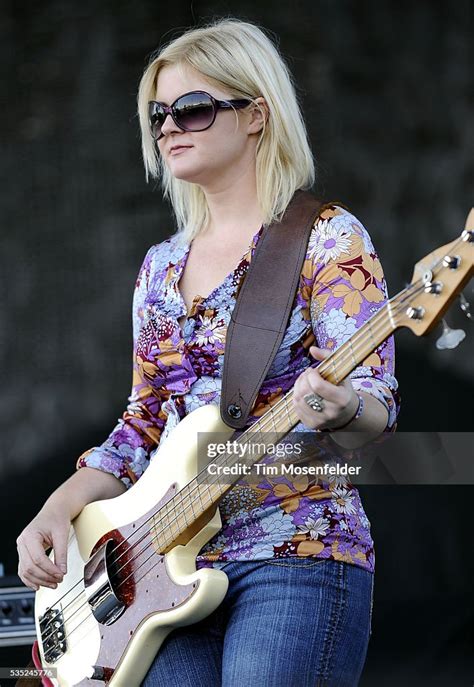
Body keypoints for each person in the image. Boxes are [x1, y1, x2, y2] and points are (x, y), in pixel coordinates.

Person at [16, 17, 400, 687]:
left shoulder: (326, 237)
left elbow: (376, 408)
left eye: (191, 109)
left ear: (256, 114)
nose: (167, 127)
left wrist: (343, 408)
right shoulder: (159, 268)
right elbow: (140, 425)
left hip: (296, 548)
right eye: (158, 114)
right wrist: (55, 508)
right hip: (160, 572)